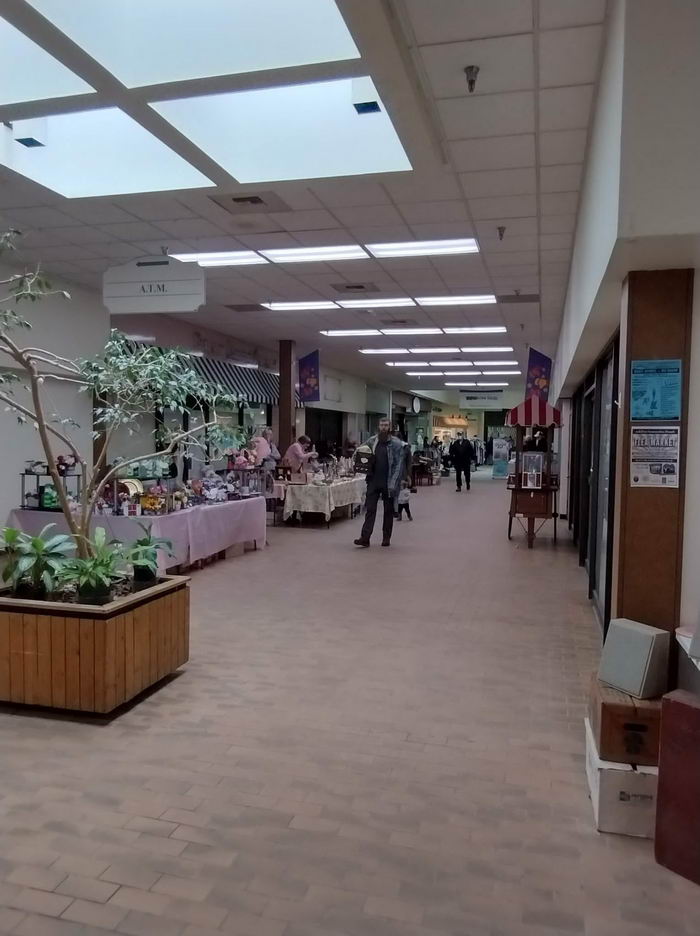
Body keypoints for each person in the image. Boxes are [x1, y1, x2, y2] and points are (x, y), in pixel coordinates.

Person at [354, 417, 406, 548]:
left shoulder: (396, 444)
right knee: (370, 509)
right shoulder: (372, 441)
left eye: (386, 425)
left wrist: (393, 483)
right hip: (373, 481)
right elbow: (359, 452)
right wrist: (358, 457)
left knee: (388, 511)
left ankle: (386, 538)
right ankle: (365, 538)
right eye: (381, 425)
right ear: (378, 426)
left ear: (390, 427)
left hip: (388, 483)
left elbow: (398, 466)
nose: (383, 427)